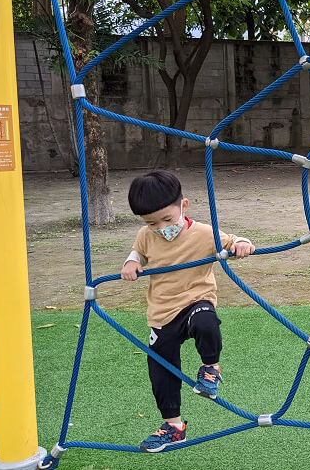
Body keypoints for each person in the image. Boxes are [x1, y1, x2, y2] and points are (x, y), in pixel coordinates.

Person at [120, 170, 255, 452]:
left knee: (206, 322)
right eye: (151, 222)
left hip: (196, 299)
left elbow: (231, 240)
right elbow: (138, 252)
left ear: (184, 206)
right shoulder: (147, 235)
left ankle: (210, 368)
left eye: (167, 220)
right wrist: (131, 263)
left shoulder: (204, 233)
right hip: (162, 312)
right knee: (160, 370)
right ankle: (173, 426)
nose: (160, 227)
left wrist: (242, 243)